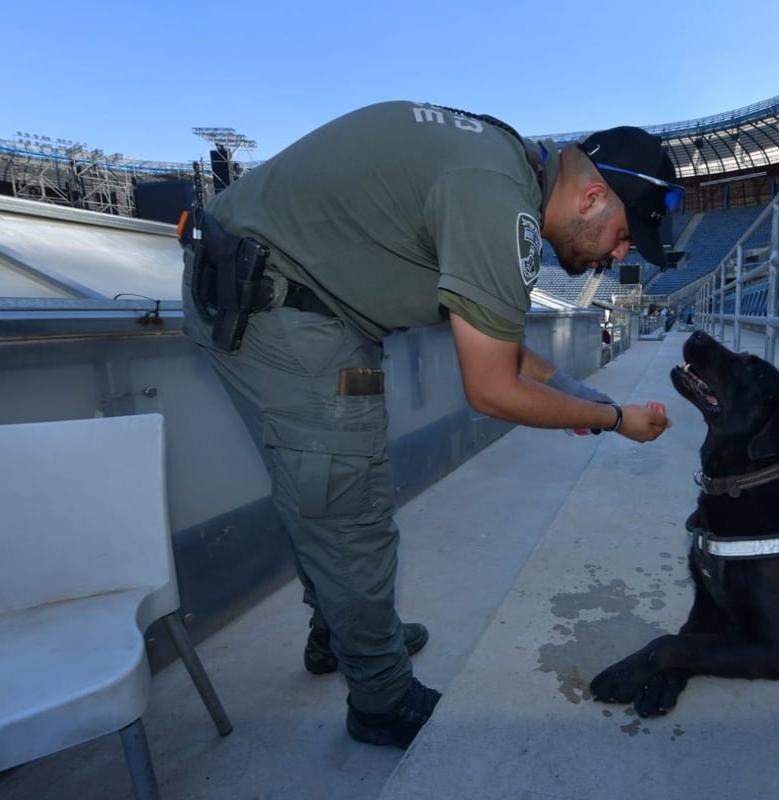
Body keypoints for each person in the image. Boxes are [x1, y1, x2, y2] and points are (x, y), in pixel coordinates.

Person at [179, 101, 675, 749]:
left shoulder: (508, 167)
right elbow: (494, 388)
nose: (622, 253)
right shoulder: (502, 201)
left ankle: (345, 628)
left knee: (341, 484)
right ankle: (380, 697)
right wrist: (615, 418)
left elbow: (505, 349)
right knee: (347, 503)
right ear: (592, 197)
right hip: (282, 310)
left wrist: (578, 395)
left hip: (320, 313)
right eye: (627, 233)